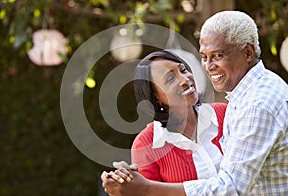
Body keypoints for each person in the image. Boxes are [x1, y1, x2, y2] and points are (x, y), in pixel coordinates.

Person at [101, 10, 288, 195]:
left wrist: (146, 189)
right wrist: (126, 185)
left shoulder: (251, 106)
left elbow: (231, 187)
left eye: (217, 56)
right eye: (204, 57)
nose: (207, 66)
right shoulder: (245, 99)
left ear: (248, 53)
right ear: (156, 96)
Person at [128, 50, 227, 183]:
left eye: (183, 70)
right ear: (156, 97)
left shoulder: (225, 114)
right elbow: (147, 191)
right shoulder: (145, 144)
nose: (184, 79)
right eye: (170, 79)